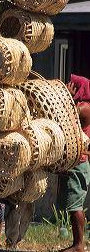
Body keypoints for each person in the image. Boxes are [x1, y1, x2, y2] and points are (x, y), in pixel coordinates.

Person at [59, 74, 90, 252]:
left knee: (76, 205)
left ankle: (79, 245)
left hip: (80, 163)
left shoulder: (84, 108)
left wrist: (67, 97)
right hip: (76, 162)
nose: (70, 86)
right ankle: (77, 243)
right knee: (73, 205)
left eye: (74, 85)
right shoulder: (81, 106)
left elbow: (66, 118)